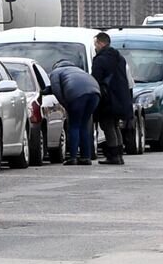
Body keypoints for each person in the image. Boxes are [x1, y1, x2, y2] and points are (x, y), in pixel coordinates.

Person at [92, 31, 133, 166]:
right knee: (115, 125)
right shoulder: (119, 57)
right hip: (121, 97)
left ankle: (113, 156)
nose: (95, 47)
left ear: (101, 43)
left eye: (96, 44)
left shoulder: (100, 59)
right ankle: (119, 155)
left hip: (107, 98)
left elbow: (96, 80)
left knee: (107, 126)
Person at [49, 60, 101, 165]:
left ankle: (72, 157)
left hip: (77, 96)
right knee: (83, 125)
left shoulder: (55, 72)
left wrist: (65, 104)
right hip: (95, 94)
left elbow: (56, 90)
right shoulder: (79, 70)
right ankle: (86, 157)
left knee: (74, 125)